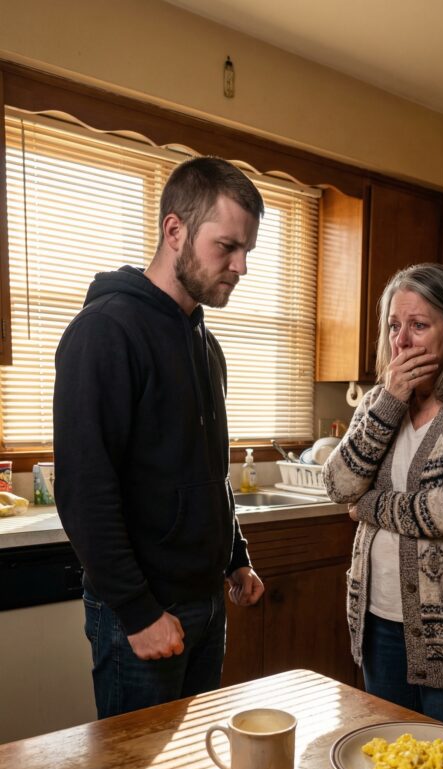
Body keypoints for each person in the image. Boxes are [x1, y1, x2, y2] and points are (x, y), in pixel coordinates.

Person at [54, 156, 265, 718]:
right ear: (175, 231)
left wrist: (234, 558)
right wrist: (138, 612)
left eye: (247, 250)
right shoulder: (105, 333)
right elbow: (85, 491)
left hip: (205, 606)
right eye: (227, 247)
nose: (241, 266)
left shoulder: (206, 345)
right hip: (143, 612)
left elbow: (207, 471)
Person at [322, 263, 443, 735]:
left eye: (419, 325)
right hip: (378, 625)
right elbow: (338, 486)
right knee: (388, 766)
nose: (402, 341)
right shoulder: (377, 402)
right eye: (394, 325)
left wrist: (369, 507)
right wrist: (390, 400)